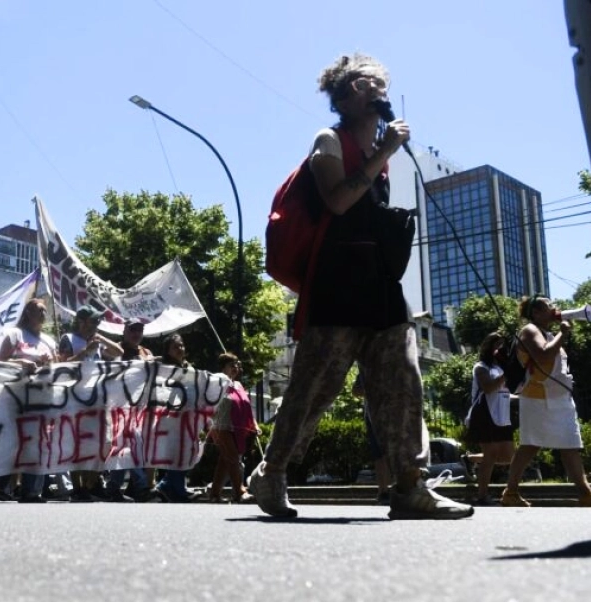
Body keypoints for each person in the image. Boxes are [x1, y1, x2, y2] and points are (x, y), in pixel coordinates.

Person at [247, 52, 473, 519]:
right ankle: (271, 474)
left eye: (382, 83)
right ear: (349, 94)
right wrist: (384, 154)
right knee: (316, 387)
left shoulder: (380, 159)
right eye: (371, 83)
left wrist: (382, 159)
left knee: (403, 383)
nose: (381, 89)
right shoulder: (329, 141)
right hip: (336, 285)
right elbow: (336, 202)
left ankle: (411, 485)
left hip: (380, 286)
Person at [499, 296, 591, 507]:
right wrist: (563, 333)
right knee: (531, 445)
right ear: (537, 313)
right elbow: (542, 355)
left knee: (569, 444)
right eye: (549, 306)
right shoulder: (530, 331)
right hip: (538, 399)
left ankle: (585, 492)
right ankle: (511, 492)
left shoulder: (547, 333)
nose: (555, 308)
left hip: (559, 398)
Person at [57, 305, 123, 502]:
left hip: (98, 399)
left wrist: (100, 339)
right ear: (82, 321)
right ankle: (78, 488)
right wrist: (86, 351)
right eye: (94, 321)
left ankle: (88, 485)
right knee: (77, 444)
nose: (97, 324)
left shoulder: (97, 341)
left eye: (98, 321)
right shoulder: (68, 339)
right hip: (75, 398)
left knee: (105, 443)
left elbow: (118, 351)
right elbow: (62, 365)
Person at [0, 298, 57, 502]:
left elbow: (58, 370)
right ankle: (0, 486)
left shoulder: (49, 341)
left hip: (42, 401)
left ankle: (31, 490)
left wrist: (49, 365)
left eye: (45, 311)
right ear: (28, 312)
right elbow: (0, 364)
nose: (44, 314)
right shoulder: (14, 335)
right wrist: (21, 362)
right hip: (15, 400)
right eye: (39, 310)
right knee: (12, 443)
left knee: (37, 444)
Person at [105, 318, 161, 502]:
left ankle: (114, 487)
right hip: (119, 407)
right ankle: (141, 485)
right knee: (130, 445)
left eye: (140, 330)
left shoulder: (147, 352)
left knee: (126, 448)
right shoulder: (116, 349)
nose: (136, 333)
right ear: (124, 331)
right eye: (132, 330)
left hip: (141, 409)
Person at [462, 332, 516, 505]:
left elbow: (503, 392)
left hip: (502, 414)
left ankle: (470, 459)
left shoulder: (501, 368)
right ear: (489, 347)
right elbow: (488, 388)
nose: (500, 349)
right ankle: (482, 495)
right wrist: (506, 374)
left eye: (502, 345)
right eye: (497, 345)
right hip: (484, 414)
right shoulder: (480, 367)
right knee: (491, 455)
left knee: (509, 457)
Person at [207, 353, 257, 504]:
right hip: (220, 426)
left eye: (237, 364)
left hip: (237, 427)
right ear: (222, 368)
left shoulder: (238, 385)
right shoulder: (216, 383)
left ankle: (215, 493)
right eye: (231, 365)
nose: (236, 367)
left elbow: (246, 408)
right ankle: (240, 491)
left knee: (225, 459)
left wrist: (254, 424)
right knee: (233, 457)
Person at [155, 334, 197, 502]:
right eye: (175, 347)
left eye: (181, 346)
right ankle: (178, 489)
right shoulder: (164, 369)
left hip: (188, 417)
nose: (180, 349)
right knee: (176, 453)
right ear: (167, 351)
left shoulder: (190, 368)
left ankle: (165, 486)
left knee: (186, 452)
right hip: (170, 418)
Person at [352, 370, 391, 505]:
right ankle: (383, 491)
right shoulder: (365, 369)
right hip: (373, 416)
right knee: (379, 455)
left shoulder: (394, 363)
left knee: (393, 453)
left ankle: (401, 489)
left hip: (393, 414)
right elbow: (356, 391)